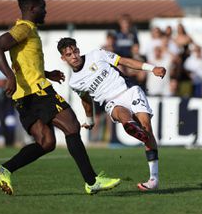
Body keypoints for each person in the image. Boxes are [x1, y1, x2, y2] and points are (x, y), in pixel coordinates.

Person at [0, 0, 120, 195]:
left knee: (47, 142)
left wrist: (47, 73)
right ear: (32, 8)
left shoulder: (27, 30)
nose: (46, 11)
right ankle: (92, 181)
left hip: (24, 97)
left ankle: (5, 169)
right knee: (71, 125)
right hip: (38, 93)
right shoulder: (24, 29)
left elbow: (25, 62)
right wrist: (10, 77)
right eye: (43, 7)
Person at [57, 37, 166, 191]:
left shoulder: (97, 54)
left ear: (78, 50)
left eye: (75, 51)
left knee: (147, 127)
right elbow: (86, 101)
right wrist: (90, 120)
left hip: (129, 90)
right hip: (111, 102)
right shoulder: (74, 82)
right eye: (69, 54)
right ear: (63, 58)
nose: (74, 56)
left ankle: (153, 179)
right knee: (122, 114)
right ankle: (131, 126)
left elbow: (124, 61)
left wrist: (151, 68)